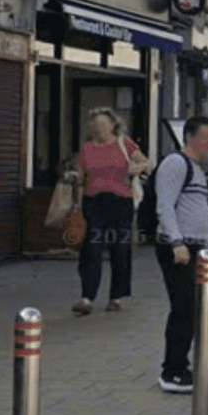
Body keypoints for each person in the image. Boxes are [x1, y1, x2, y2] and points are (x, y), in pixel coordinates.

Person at [153, 116, 208, 395]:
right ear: (190, 138)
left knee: (193, 309)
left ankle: (182, 366)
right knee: (184, 308)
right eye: (206, 139)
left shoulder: (196, 169)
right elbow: (164, 206)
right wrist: (177, 243)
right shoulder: (175, 164)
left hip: (196, 248)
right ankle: (172, 371)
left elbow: (201, 213)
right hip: (178, 248)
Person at [65, 107, 150, 316]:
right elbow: (83, 173)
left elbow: (148, 163)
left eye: (102, 125)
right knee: (91, 248)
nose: (98, 129)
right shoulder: (87, 148)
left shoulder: (125, 144)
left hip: (120, 202)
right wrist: (74, 176)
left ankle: (116, 297)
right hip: (94, 201)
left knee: (120, 248)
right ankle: (87, 297)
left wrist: (137, 168)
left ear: (112, 125)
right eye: (94, 125)